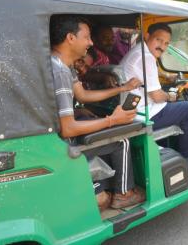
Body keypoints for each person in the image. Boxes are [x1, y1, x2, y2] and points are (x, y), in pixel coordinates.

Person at [49, 15, 145, 210]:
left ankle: (103, 185)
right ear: (70, 38)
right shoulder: (59, 71)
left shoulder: (62, 63)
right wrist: (112, 120)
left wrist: (122, 88)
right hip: (62, 145)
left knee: (91, 119)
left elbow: (83, 95)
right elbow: (68, 129)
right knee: (122, 141)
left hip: (56, 135)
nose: (91, 43)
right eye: (87, 37)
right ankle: (123, 193)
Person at [120, 23, 188, 172]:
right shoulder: (146, 57)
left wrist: (167, 76)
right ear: (147, 36)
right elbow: (156, 96)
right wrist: (170, 96)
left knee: (177, 106)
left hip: (132, 110)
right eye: (158, 40)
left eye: (166, 43)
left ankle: (172, 150)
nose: (162, 46)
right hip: (142, 114)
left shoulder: (138, 51)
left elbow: (147, 79)